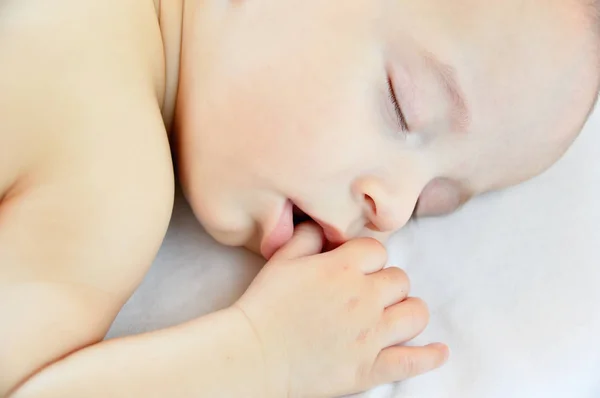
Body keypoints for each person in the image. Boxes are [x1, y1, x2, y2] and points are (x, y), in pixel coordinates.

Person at [1, 0, 598, 397]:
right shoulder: (112, 173)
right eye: (402, 105)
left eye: (428, 204)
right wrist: (265, 358)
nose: (390, 211)